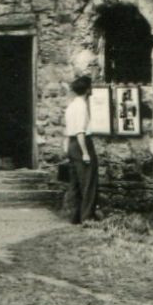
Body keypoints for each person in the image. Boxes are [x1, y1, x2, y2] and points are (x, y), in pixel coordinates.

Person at [63, 74, 99, 224]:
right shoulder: (82, 106)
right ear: (88, 90)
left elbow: (68, 130)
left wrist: (67, 149)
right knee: (89, 181)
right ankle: (87, 217)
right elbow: (80, 132)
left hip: (71, 144)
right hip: (81, 143)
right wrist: (85, 153)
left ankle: (75, 216)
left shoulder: (71, 106)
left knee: (76, 182)